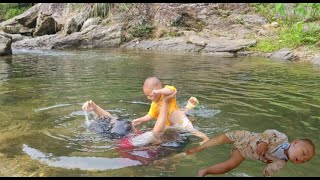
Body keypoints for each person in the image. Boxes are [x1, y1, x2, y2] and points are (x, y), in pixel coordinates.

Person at [185, 129, 315, 177]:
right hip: (245, 137)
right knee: (222, 138)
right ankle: (199, 148)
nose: (303, 158)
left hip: (244, 153)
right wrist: (264, 142)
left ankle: (204, 171)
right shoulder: (282, 138)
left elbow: (268, 172)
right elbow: (269, 132)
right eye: (304, 153)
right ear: (296, 142)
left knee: (230, 166)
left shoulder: (280, 163)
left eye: (306, 160)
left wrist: (266, 173)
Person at [82, 90, 179, 148]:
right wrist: (166, 103)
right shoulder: (134, 140)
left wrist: (95, 107)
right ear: (132, 130)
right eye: (133, 126)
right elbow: (157, 131)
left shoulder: (117, 135)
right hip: (154, 157)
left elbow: (110, 118)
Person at [131, 76, 209, 145]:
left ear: (159, 88)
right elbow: (150, 115)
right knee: (156, 134)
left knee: (192, 130)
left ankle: (205, 139)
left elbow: (171, 91)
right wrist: (140, 120)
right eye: (147, 96)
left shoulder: (165, 93)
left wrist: (159, 91)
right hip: (169, 124)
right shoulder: (154, 103)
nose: (149, 98)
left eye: (151, 95)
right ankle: (188, 109)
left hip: (179, 121)